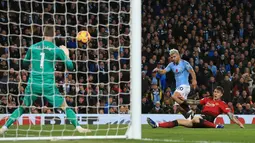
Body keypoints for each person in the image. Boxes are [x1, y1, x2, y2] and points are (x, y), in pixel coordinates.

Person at [0, 26, 90, 134]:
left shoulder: (33, 47)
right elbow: (70, 67)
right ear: (54, 35)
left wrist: (32, 63)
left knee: (23, 107)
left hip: (34, 83)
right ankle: (79, 128)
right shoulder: (56, 49)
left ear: (43, 33)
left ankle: (4, 127)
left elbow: (23, 64)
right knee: (64, 106)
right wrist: (67, 54)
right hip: (48, 85)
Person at [147, 86, 244, 129]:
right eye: (214, 92)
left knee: (196, 118)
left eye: (217, 92)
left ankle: (217, 126)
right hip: (199, 119)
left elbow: (230, 115)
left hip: (207, 121)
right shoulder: (207, 99)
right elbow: (194, 102)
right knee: (178, 121)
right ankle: (157, 125)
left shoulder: (222, 103)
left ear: (221, 94)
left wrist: (239, 123)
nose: (215, 94)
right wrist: (184, 100)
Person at [153, 49, 197, 118]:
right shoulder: (171, 65)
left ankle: (189, 110)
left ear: (178, 55)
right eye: (171, 57)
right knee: (178, 107)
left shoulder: (184, 63)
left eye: (174, 56)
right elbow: (163, 72)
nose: (173, 58)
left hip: (184, 86)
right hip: (178, 87)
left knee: (174, 96)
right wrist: (158, 70)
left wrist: (194, 80)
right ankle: (191, 118)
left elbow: (192, 71)